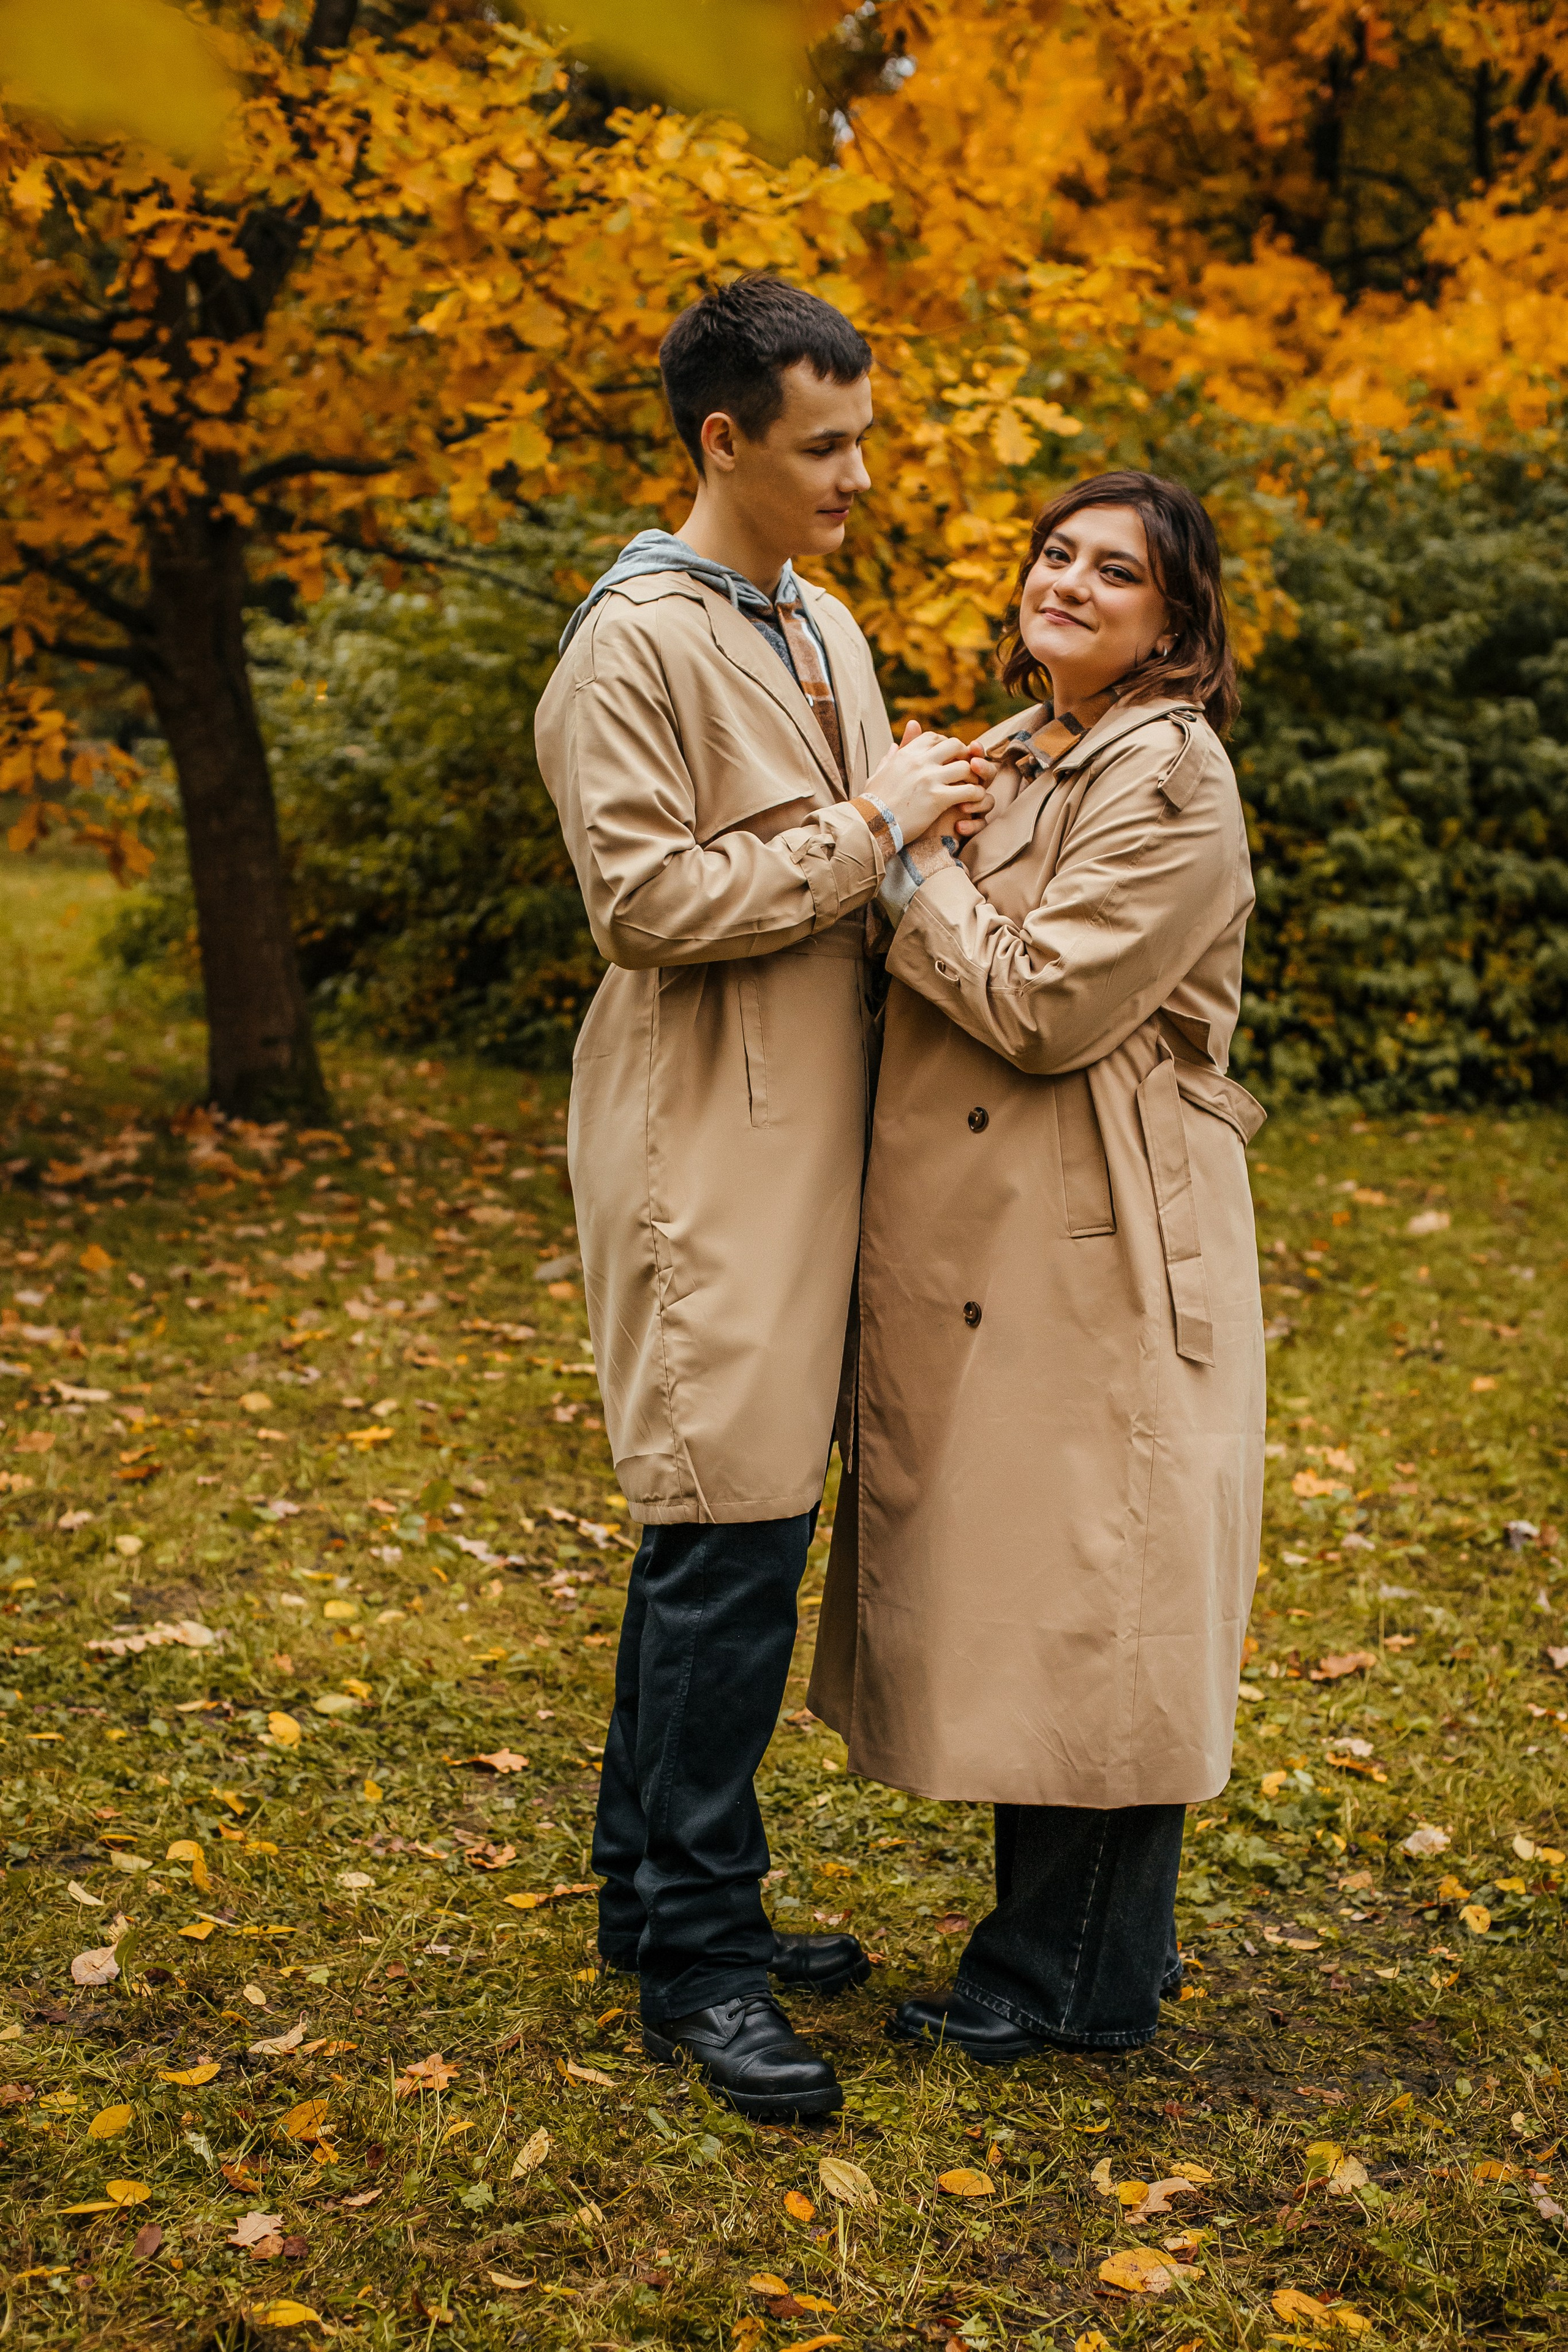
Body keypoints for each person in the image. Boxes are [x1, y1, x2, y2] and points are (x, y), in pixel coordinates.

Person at [534, 276, 986, 2119]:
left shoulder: (823, 618)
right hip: (701, 1146)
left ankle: (651, 1895)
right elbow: (643, 905)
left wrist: (944, 820)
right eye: (825, 445)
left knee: (722, 1528)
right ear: (720, 440)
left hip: (825, 1136)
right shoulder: (626, 647)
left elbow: (853, 863)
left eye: (865, 437)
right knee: (724, 1532)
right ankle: (704, 1967)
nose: (859, 475)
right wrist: (873, 829)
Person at [808, 470, 1267, 2063]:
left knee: (1106, 1586)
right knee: (1047, 1582)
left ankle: (1072, 1979)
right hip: (993, 1229)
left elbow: (1048, 1004)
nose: (1069, 583)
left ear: (1174, 621)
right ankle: (1080, 1951)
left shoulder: (1172, 775)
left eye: (1116, 573)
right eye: (1056, 555)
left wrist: (902, 869)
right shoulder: (1012, 755)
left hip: (1103, 1224)